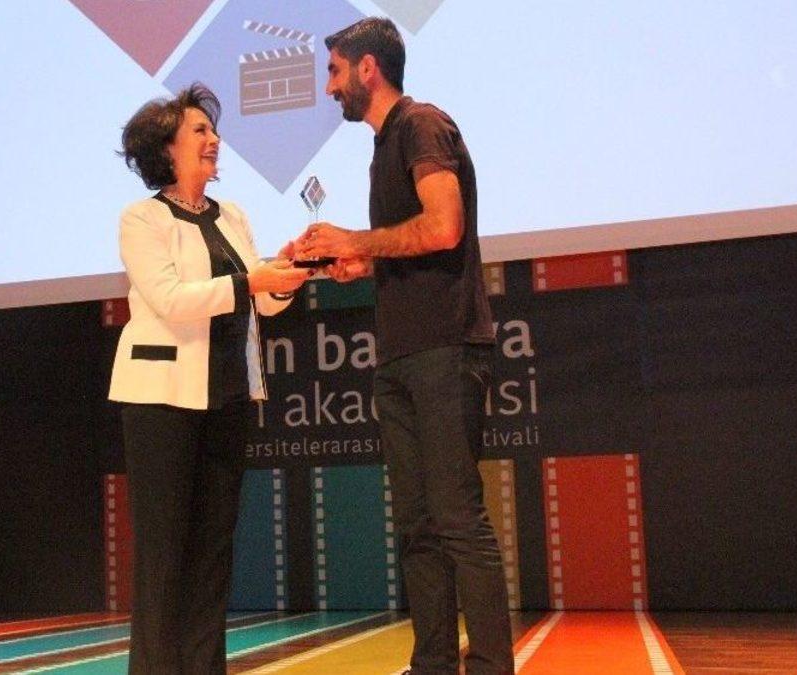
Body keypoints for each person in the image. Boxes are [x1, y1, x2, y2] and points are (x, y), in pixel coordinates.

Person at [294, 18, 514, 674]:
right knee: (418, 527)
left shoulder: (421, 125)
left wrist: (357, 240)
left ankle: (493, 666)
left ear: (368, 69)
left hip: (445, 348)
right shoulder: (383, 145)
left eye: (335, 71)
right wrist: (359, 262)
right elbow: (412, 244)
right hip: (401, 355)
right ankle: (433, 664)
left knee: (456, 517)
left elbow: (444, 228)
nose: (329, 87)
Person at [110, 83, 311, 674]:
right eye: (200, 130)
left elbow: (261, 303)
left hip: (227, 399)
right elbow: (172, 300)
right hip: (162, 402)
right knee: (163, 556)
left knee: (212, 556)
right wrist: (251, 282)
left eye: (214, 130)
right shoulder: (142, 219)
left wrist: (285, 273)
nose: (214, 140)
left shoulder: (234, 216)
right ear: (166, 149)